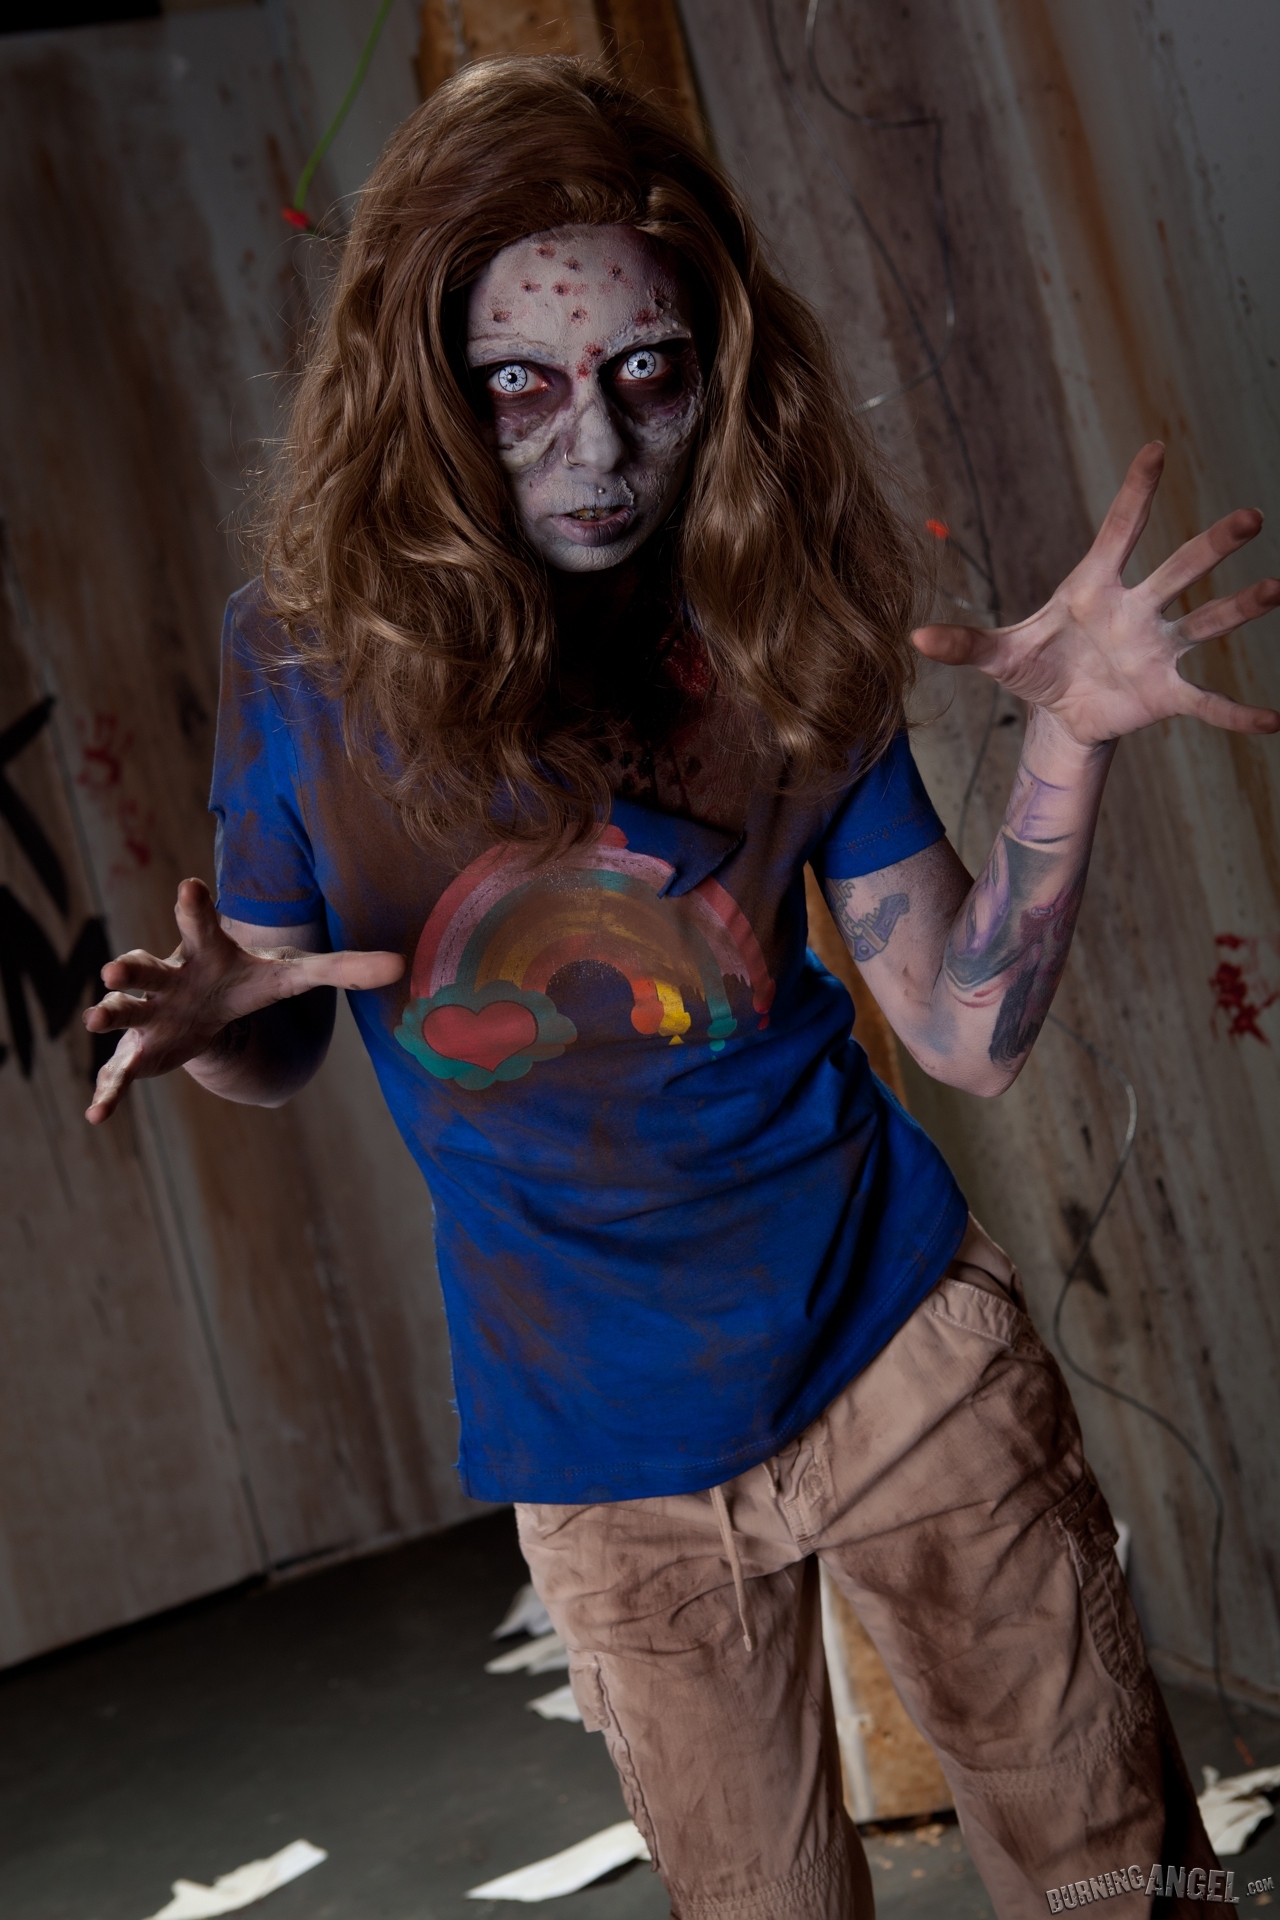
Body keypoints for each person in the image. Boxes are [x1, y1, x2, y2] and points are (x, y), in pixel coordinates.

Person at [83, 58, 1277, 1920]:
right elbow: (282, 1032)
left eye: (647, 372)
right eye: (520, 384)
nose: (597, 448)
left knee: (1132, 1884)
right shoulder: (309, 659)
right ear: (426, 389)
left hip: (897, 1346)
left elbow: (964, 1031)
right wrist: (214, 1027)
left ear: (717, 369)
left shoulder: (775, 612)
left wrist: (1069, 747)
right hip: (599, 1444)